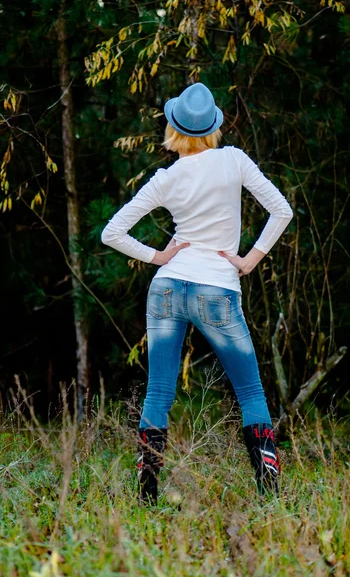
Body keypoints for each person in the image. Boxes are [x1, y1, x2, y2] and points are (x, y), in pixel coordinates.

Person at [101, 82, 293, 506]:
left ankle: (146, 499)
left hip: (167, 287)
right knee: (251, 394)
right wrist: (250, 259)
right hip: (216, 290)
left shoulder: (166, 178)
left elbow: (111, 232)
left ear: (174, 128)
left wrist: (157, 256)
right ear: (213, 127)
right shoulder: (234, 161)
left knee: (158, 393)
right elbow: (282, 209)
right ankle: (271, 496)